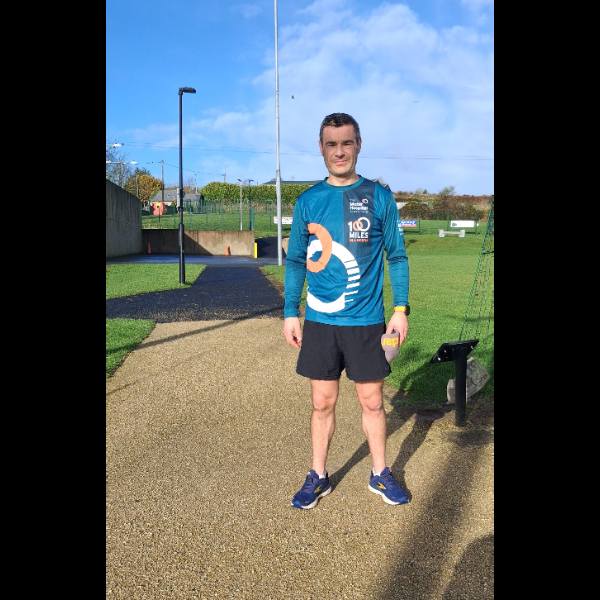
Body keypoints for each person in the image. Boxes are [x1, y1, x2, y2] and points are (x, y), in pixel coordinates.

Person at [283, 112, 410, 509]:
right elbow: (295, 261)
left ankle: (380, 473)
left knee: (372, 401)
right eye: (332, 144)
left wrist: (401, 309)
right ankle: (318, 476)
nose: (340, 151)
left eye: (347, 143)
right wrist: (290, 312)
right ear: (321, 149)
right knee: (322, 402)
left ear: (358, 145)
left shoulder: (379, 197)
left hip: (367, 321)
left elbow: (397, 256)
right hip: (321, 322)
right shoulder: (308, 202)